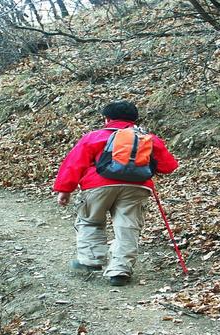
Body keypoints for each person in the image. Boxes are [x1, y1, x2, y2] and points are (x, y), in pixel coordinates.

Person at [53, 101, 178, 286]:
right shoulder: (148, 138)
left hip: (96, 186)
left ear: (107, 119)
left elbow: (74, 164)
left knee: (90, 220)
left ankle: (90, 260)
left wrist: (64, 190)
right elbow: (169, 166)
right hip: (137, 187)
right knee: (127, 227)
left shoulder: (93, 137)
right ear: (135, 119)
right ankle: (120, 271)